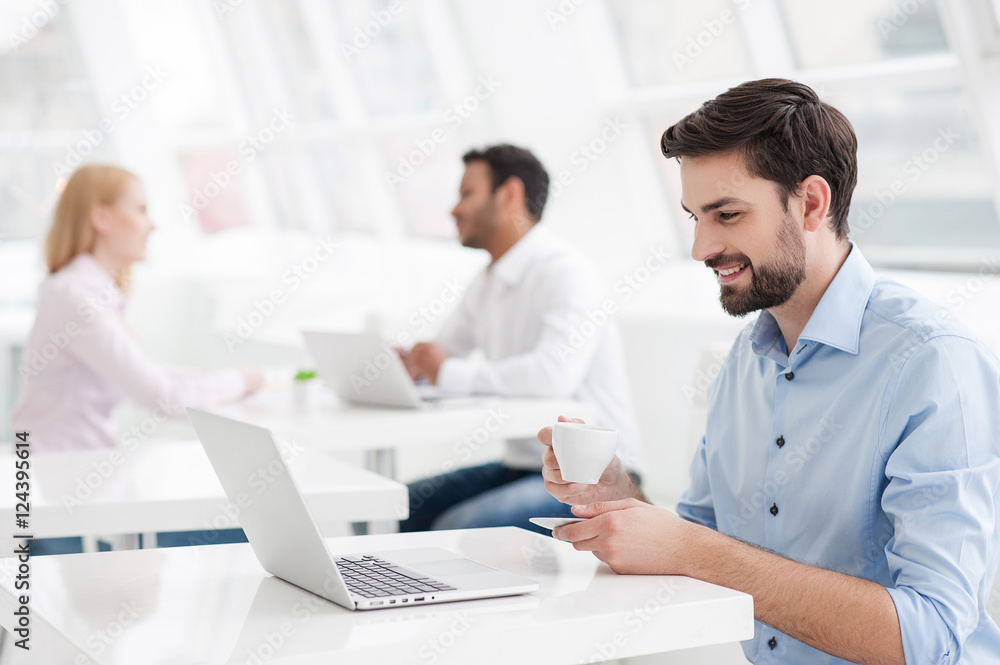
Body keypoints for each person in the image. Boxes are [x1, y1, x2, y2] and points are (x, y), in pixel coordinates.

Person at [539, 79, 1000, 664]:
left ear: (811, 203)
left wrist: (691, 549)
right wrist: (617, 497)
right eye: (695, 218)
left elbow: (928, 637)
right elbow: (698, 536)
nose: (701, 247)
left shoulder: (934, 363)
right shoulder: (744, 362)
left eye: (727, 215)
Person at [13, 164, 262, 552]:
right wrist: (242, 381)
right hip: (61, 483)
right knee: (240, 526)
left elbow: (149, 375)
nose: (151, 226)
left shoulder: (84, 290)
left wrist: (226, 378)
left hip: (74, 477)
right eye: (142, 210)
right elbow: (162, 398)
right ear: (101, 217)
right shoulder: (78, 297)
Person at [399, 144, 644, 535]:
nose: (454, 209)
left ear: (509, 194)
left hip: (597, 477)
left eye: (466, 194)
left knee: (461, 528)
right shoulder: (488, 281)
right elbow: (443, 358)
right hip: (526, 466)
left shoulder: (567, 272)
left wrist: (445, 371)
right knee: (398, 505)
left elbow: (551, 376)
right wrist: (414, 365)